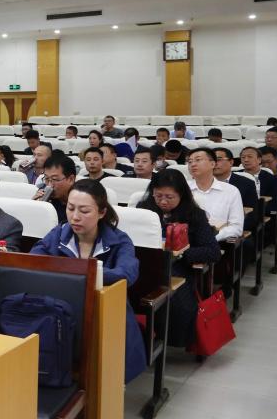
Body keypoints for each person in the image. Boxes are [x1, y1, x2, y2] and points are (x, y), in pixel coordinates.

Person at [31, 179, 147, 383]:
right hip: (63, 310)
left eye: (84, 211)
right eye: (70, 208)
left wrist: (83, 271)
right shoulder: (59, 233)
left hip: (105, 311)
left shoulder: (119, 240)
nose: (75, 217)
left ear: (101, 212)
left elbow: (126, 273)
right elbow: (34, 259)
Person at [137, 170, 220, 348]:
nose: (163, 201)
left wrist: (180, 253)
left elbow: (212, 251)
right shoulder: (143, 209)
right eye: (158, 196)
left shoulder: (194, 215)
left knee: (180, 307)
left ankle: (164, 343)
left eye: (169, 197)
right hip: (144, 266)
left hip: (178, 269)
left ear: (181, 194)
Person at [186, 148, 243, 242]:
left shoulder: (231, 191)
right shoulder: (183, 189)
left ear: (213, 164)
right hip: (186, 240)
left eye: (198, 160)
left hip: (217, 242)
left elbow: (236, 227)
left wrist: (213, 237)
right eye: (190, 161)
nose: (193, 164)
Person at [214, 147, 258, 231]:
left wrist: (233, 229)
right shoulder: (201, 183)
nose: (215, 163)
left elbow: (252, 215)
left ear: (231, 162)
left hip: (233, 230)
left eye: (219, 160)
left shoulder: (246, 183)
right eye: (211, 160)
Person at [240, 146, 277, 218]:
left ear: (259, 160)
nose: (246, 160)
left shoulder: (271, 179)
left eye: (250, 157)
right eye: (243, 157)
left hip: (258, 214)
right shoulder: (235, 175)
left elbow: (275, 203)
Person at [36, 153, 77, 223]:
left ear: (71, 179)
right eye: (46, 178)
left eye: (55, 179)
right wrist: (36, 206)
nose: (50, 185)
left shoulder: (82, 199)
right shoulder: (43, 195)